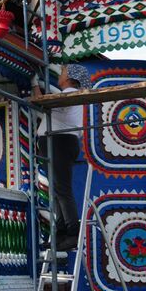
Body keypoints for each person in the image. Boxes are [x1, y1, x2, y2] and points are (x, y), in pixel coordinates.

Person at [47, 69, 87, 253]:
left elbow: (45, 105)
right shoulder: (71, 96)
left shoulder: (69, 95)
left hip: (59, 140)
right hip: (61, 141)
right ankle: (62, 232)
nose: (60, 75)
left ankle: (71, 232)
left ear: (70, 78)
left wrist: (35, 88)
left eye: (63, 72)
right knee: (57, 189)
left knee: (61, 189)